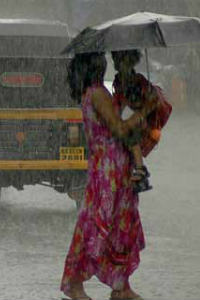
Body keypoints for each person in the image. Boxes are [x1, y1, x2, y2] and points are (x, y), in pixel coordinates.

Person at [60, 52, 157, 300]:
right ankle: (74, 282)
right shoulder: (97, 93)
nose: (106, 62)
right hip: (108, 171)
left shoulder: (96, 93)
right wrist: (146, 110)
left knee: (120, 224)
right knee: (97, 222)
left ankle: (120, 285)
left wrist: (128, 98)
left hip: (115, 168)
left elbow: (114, 121)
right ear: (94, 65)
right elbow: (120, 128)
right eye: (101, 59)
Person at [111, 50, 166, 193]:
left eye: (120, 61)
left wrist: (138, 114)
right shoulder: (119, 79)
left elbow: (150, 100)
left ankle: (140, 169)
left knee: (132, 140)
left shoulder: (136, 79)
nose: (117, 64)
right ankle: (137, 170)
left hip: (135, 118)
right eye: (116, 60)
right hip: (126, 117)